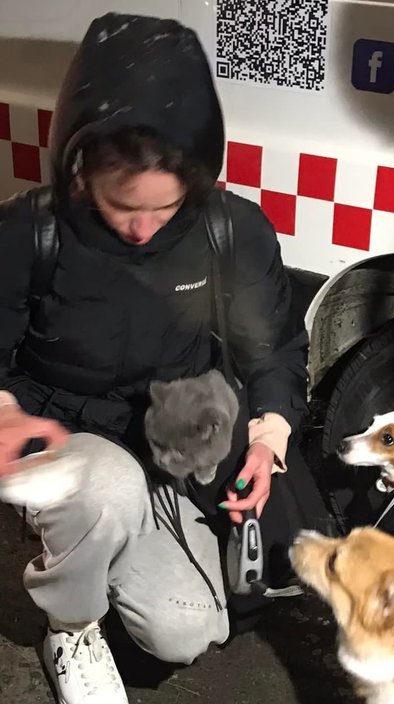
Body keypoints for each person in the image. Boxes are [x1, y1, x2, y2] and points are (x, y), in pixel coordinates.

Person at [0, 12, 332, 704]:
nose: (143, 228)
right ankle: (71, 625)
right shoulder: (30, 233)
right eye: (124, 207)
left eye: (164, 207)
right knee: (106, 489)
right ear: (79, 169)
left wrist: (267, 440)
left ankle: (118, 538)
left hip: (165, 443)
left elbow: (271, 349)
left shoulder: (230, 232)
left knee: (186, 632)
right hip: (59, 436)